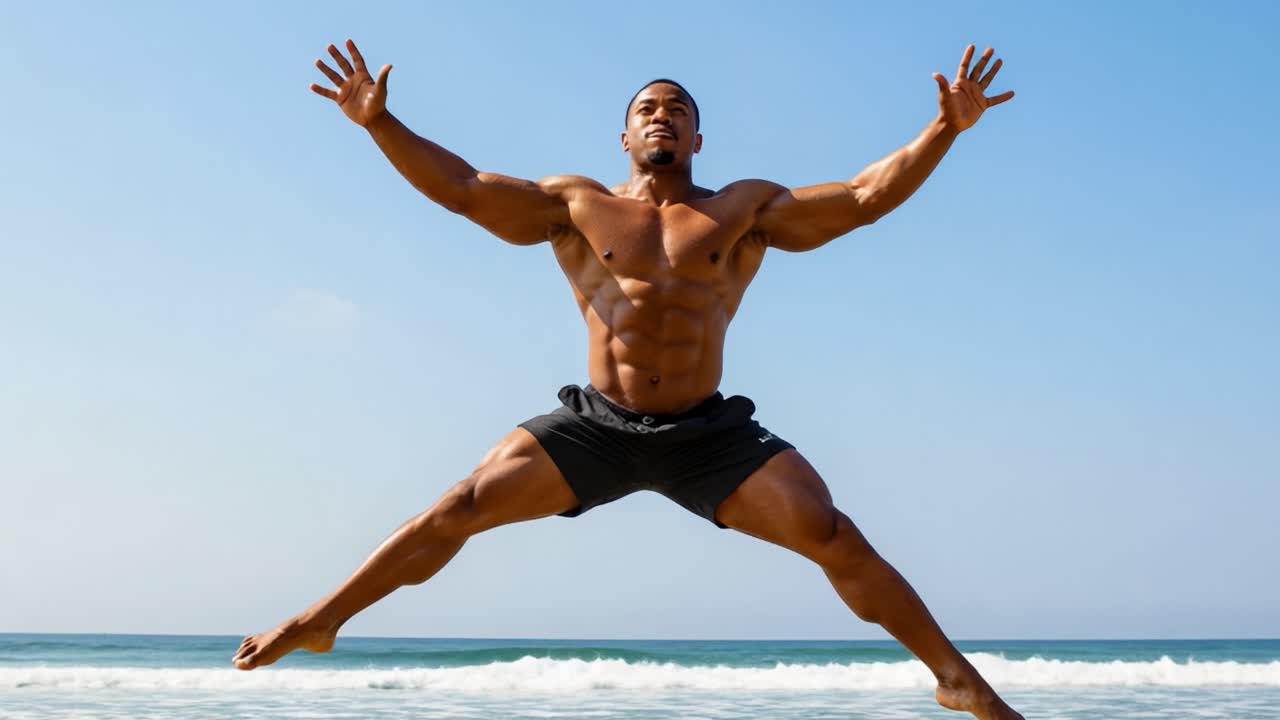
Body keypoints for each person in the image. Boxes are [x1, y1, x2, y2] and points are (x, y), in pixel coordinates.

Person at [233, 38, 1021, 719]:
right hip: (598, 425)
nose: (662, 115)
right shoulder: (576, 204)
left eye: (677, 108)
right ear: (624, 133)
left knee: (831, 534)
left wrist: (944, 128)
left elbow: (860, 198)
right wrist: (379, 122)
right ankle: (320, 619)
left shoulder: (743, 208)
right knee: (457, 507)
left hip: (706, 433)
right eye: (648, 106)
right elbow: (464, 190)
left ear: (698, 136)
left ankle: (956, 679)